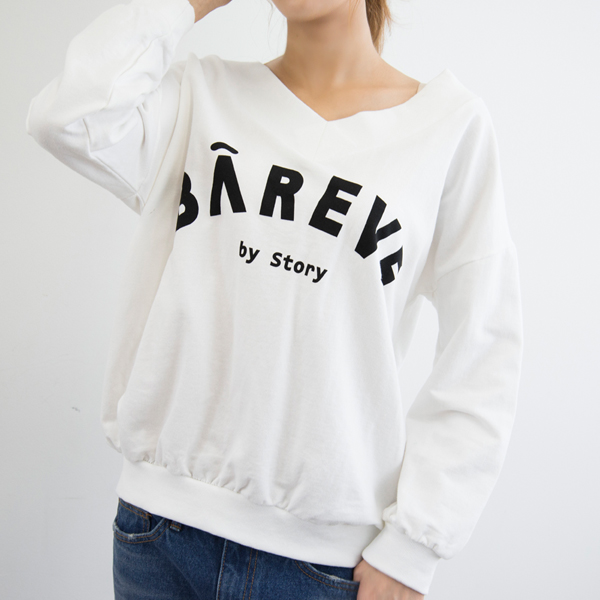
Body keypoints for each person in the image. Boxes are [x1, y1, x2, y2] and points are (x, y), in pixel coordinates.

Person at [25, 0, 524, 598]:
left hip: (321, 566)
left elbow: (485, 347)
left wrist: (415, 546)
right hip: (158, 537)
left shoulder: (448, 128)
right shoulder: (200, 98)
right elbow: (66, 117)